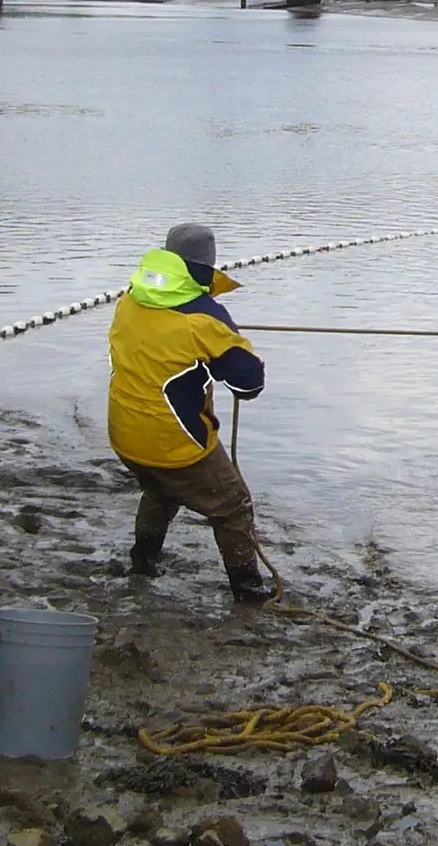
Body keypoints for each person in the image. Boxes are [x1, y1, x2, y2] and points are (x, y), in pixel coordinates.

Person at [107, 223, 270, 604]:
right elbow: (248, 385)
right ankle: (249, 592)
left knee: (160, 488)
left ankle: (142, 562)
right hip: (174, 443)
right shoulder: (204, 318)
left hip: (124, 433)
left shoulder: (131, 296)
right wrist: (230, 340)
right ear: (208, 263)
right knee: (232, 507)